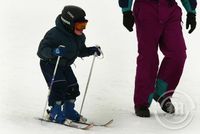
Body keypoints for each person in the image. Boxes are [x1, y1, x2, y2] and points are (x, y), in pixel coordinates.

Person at [118, 0, 197, 117]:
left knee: (178, 54)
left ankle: (163, 93)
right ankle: (142, 102)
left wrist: (191, 12)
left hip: (170, 10)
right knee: (148, 58)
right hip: (146, 9)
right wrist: (126, 11)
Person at [37, 5, 101, 123]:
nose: (82, 29)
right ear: (68, 23)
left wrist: (91, 51)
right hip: (50, 64)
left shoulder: (79, 37)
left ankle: (68, 111)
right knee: (59, 86)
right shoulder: (54, 33)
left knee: (72, 87)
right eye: (79, 25)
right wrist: (54, 51)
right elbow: (41, 51)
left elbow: (79, 51)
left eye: (84, 25)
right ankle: (55, 112)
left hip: (65, 65)